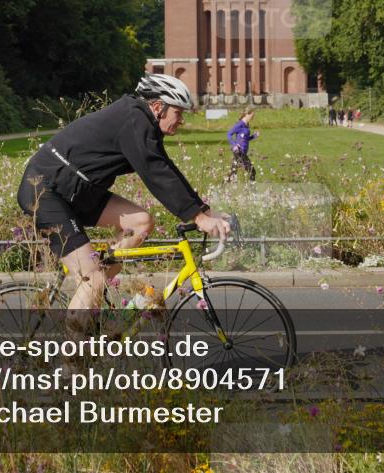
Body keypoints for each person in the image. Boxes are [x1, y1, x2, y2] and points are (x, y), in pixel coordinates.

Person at [16, 73, 231, 312]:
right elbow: (155, 172)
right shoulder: (133, 120)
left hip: (78, 191)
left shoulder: (141, 121)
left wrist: (205, 211)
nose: (181, 120)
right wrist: (199, 219)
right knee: (93, 278)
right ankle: (76, 343)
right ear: (158, 107)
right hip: (46, 191)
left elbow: (166, 168)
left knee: (141, 222)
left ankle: (90, 296)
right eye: (178, 113)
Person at [226, 107, 259, 183]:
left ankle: (221, 189)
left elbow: (245, 139)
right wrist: (234, 145)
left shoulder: (246, 125)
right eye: (252, 116)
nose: (253, 118)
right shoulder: (240, 124)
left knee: (233, 173)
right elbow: (229, 134)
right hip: (239, 152)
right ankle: (252, 191)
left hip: (243, 152)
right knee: (252, 171)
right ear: (247, 114)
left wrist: (254, 136)